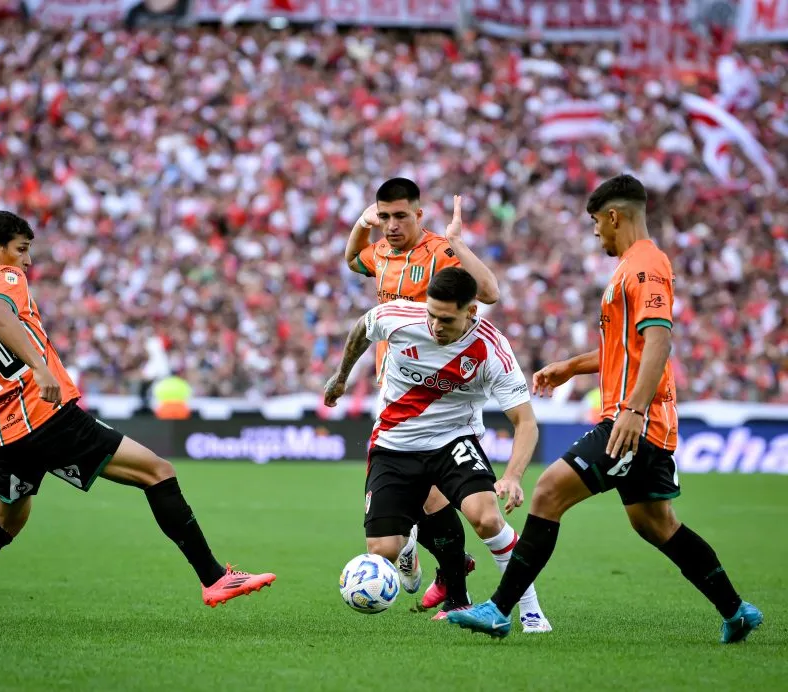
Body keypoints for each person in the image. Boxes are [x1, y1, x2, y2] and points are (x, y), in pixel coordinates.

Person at [0, 211, 275, 627]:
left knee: (4, 524)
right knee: (157, 471)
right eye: (21, 250)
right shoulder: (3, 277)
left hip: (5, 439)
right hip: (46, 416)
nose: (27, 261)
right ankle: (214, 577)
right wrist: (40, 369)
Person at [447, 174, 763, 642]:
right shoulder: (631, 267)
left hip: (632, 423)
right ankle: (736, 611)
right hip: (640, 421)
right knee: (655, 524)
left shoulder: (646, 266)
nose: (596, 233)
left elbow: (659, 340)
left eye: (596, 222)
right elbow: (625, 347)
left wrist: (633, 410)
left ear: (614, 216)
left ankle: (499, 609)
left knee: (547, 492)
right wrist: (571, 367)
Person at [325, 267, 551, 632]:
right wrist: (341, 378)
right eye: (431, 314)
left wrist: (512, 476)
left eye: (446, 319)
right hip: (394, 444)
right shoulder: (397, 317)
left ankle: (531, 612)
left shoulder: (491, 349)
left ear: (471, 312)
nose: (434, 326)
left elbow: (525, 422)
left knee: (487, 518)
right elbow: (360, 330)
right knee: (382, 551)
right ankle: (409, 541)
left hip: (453, 440)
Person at [345, 178, 499, 610]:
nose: (391, 225)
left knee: (428, 497)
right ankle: (448, 571)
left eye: (400, 216)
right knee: (426, 498)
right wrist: (362, 224)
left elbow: (488, 294)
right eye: (384, 217)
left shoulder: (440, 253)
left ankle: (448, 577)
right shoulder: (380, 252)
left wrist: (458, 244)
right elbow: (351, 259)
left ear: (418, 214)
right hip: (396, 389)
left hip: (441, 392)